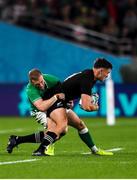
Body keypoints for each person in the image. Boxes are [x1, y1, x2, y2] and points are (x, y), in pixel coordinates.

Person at [7, 58, 113, 156]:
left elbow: (62, 87)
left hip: (58, 102)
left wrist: (67, 99)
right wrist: (96, 107)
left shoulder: (52, 78)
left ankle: (17, 139)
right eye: (107, 73)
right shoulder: (30, 90)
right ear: (100, 71)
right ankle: (41, 149)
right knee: (61, 127)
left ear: (42, 76)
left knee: (77, 125)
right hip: (40, 109)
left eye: (41, 82)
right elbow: (42, 106)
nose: (41, 85)